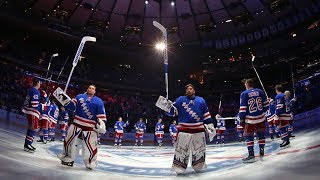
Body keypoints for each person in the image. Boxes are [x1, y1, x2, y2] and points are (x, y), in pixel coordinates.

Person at [164, 84, 213, 174]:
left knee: (199, 151)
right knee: (181, 152)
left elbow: (206, 114)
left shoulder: (201, 100)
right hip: (184, 131)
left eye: (190, 89)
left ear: (194, 91)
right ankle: (179, 168)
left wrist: (210, 124)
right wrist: (167, 106)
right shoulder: (180, 100)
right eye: (187, 89)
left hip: (198, 130)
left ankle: (199, 166)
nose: (189, 90)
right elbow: (172, 112)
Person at [57, 85, 107, 170]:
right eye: (90, 88)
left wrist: (101, 125)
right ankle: (68, 159)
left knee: (90, 147)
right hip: (76, 123)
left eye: (93, 89)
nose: (91, 89)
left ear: (95, 91)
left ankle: (90, 163)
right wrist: (64, 100)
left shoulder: (99, 101)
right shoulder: (79, 96)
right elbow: (72, 106)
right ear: (87, 89)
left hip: (90, 127)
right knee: (70, 142)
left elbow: (101, 116)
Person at [238, 79, 269, 163]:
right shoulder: (260, 91)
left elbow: (243, 108)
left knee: (248, 136)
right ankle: (261, 151)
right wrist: (262, 111)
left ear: (247, 84)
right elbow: (266, 106)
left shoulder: (244, 94)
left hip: (250, 120)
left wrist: (241, 118)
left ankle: (251, 155)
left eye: (245, 84)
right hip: (261, 118)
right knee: (261, 136)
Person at [22, 78, 41, 152]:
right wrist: (42, 105)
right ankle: (27, 145)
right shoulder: (35, 91)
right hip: (32, 112)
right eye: (39, 83)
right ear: (37, 83)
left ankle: (28, 144)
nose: (40, 84)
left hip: (30, 111)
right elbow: (34, 104)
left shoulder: (31, 90)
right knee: (33, 128)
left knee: (31, 128)